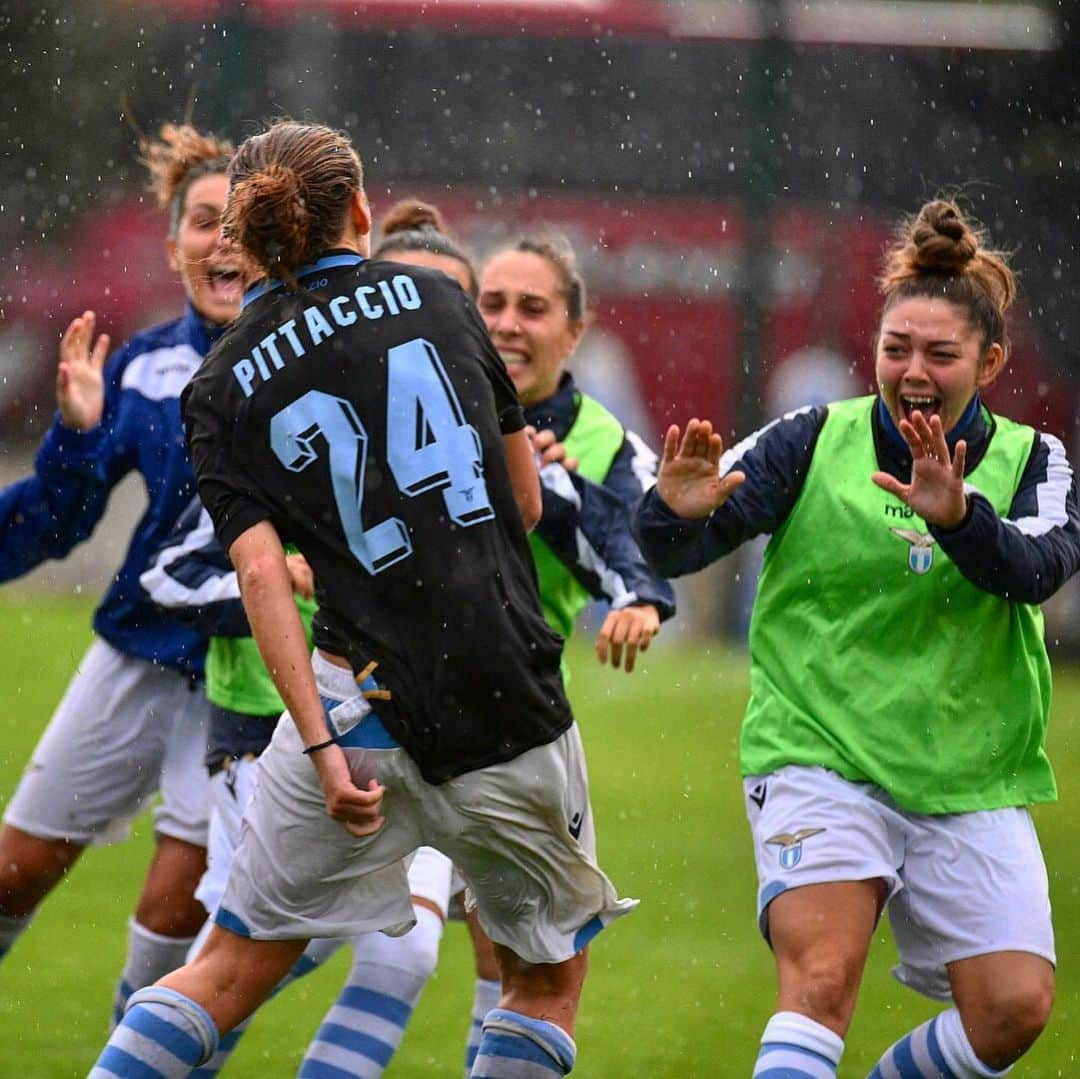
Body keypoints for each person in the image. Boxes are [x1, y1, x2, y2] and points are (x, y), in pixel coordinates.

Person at [92, 120, 634, 1079]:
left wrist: (314, 740)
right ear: (359, 210)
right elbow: (522, 500)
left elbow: (263, 579)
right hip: (501, 691)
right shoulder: (435, 297)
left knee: (223, 971)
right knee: (543, 980)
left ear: (244, 238)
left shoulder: (218, 382)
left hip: (356, 701)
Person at [636, 198, 1080, 1079]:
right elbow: (689, 538)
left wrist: (960, 518)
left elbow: (1038, 568)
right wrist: (668, 513)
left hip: (966, 772)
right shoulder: (812, 440)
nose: (914, 370)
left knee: (1011, 1013)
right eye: (896, 349)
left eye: (941, 354)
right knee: (821, 978)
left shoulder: (1036, 460)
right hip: (819, 755)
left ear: (988, 361)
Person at [0, 123, 240, 1022]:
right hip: (138, 653)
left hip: (245, 677)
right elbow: (59, 522)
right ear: (174, 242)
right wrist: (74, 429)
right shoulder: (141, 367)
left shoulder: (310, 366)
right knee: (14, 873)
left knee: (171, 913)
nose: (223, 239)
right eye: (203, 221)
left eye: (242, 221)